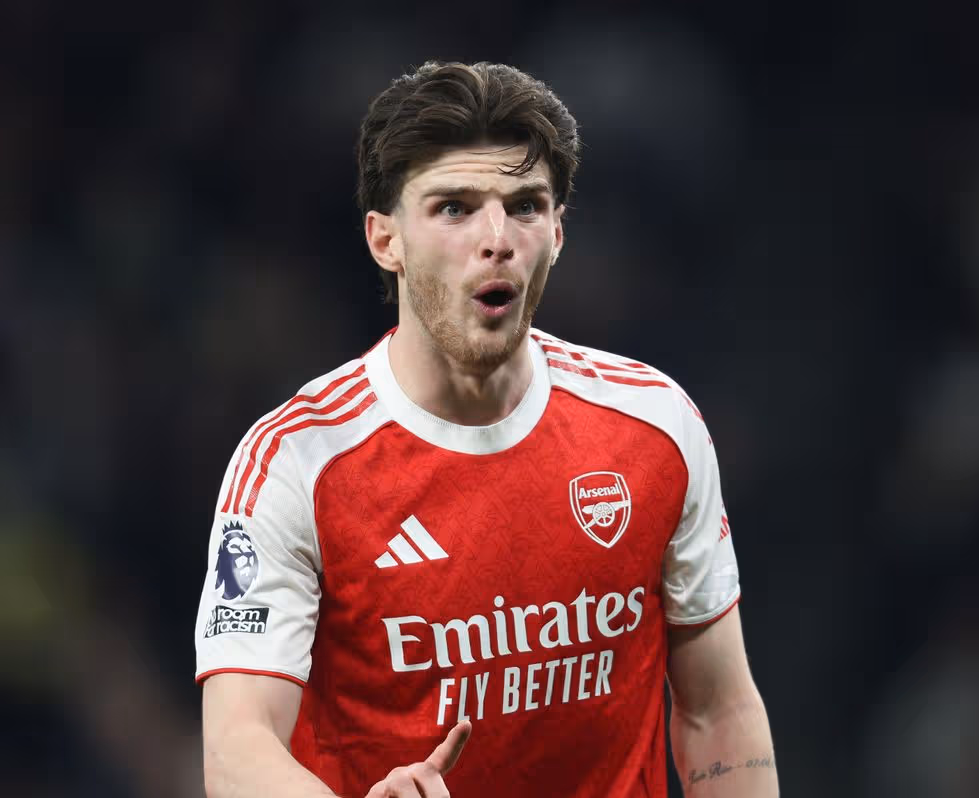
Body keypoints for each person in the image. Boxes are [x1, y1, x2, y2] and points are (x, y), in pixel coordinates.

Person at [195, 61, 776, 798]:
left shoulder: (654, 427)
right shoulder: (295, 462)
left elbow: (718, 709)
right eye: (454, 208)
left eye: (526, 206)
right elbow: (236, 748)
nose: (497, 237)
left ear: (559, 233)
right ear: (385, 240)